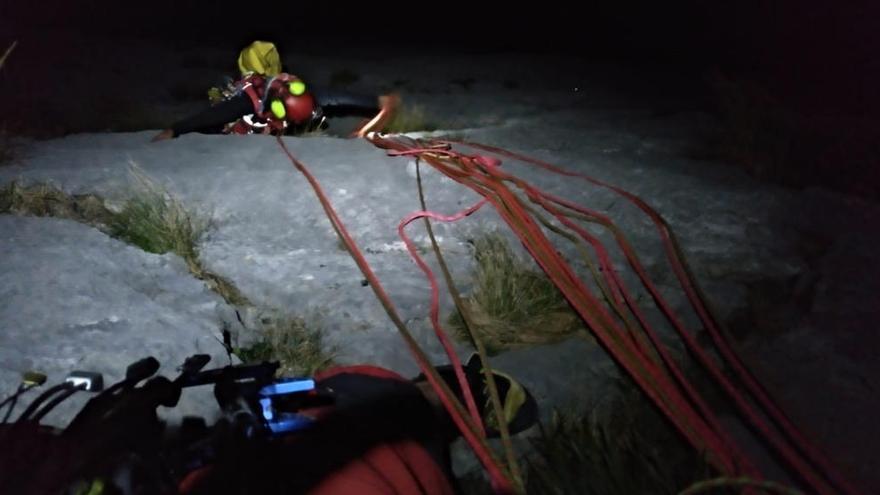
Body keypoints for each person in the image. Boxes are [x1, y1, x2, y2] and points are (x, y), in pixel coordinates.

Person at [152, 40, 398, 142]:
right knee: (222, 115)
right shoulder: (248, 101)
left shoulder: (314, 95)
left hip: (283, 114)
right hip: (248, 117)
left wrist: (379, 106)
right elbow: (211, 117)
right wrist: (174, 130)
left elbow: (356, 98)